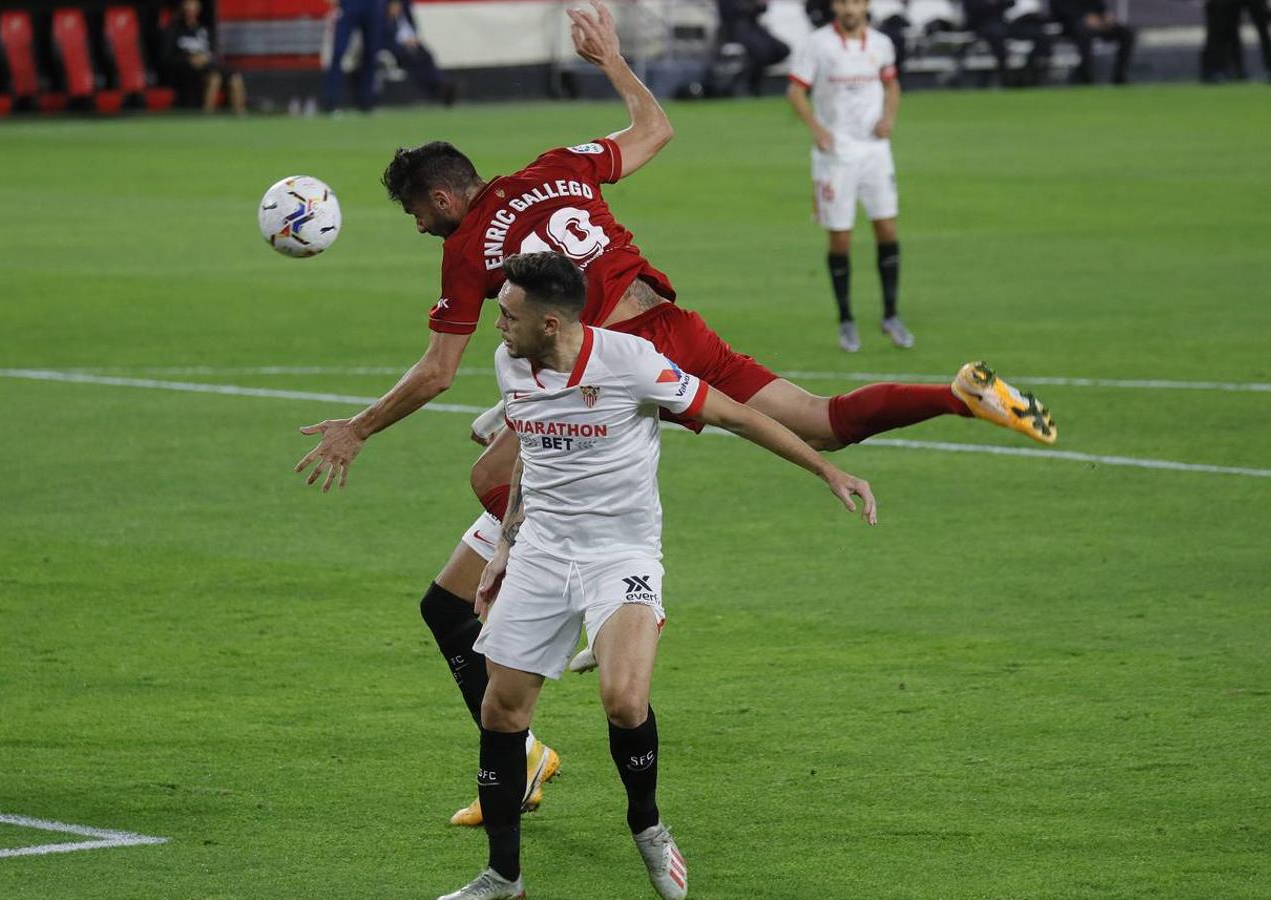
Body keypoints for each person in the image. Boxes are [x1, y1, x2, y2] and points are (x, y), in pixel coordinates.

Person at [295, 0, 1056, 828]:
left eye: (416, 212)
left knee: (490, 477)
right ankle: (956, 394)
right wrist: (612, 60)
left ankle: (577, 608)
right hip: (674, 325)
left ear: (444, 196)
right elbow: (655, 129)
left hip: (609, 361)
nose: (418, 227)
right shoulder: (557, 165)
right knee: (820, 418)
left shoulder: (468, 243)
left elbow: (440, 370)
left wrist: (357, 427)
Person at [436, 252, 877, 900]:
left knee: (622, 697)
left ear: (552, 324)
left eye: (507, 314)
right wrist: (504, 546)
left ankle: (645, 824)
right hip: (540, 549)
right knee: (502, 712)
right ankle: (503, 877)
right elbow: (532, 453)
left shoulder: (632, 364)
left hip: (620, 552)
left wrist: (827, 470)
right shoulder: (511, 364)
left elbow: (735, 414)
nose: (496, 325)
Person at [787, 0, 910, 352]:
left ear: (866, 5)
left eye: (855, 1)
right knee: (840, 239)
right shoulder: (817, 44)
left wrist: (889, 117)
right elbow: (796, 91)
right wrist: (817, 129)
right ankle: (846, 320)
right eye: (842, 2)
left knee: (886, 228)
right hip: (835, 155)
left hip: (875, 152)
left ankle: (891, 315)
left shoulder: (881, 43)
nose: (849, 8)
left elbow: (892, 85)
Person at [161, 0, 246, 114]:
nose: (191, 8)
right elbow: (167, 57)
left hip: (208, 64)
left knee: (235, 78)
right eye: (188, 4)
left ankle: (240, 114)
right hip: (187, 69)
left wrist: (207, 58)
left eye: (194, 4)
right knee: (214, 78)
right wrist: (188, 59)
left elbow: (213, 52)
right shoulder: (175, 29)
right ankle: (207, 114)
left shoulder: (204, 29)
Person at [961, 0, 1052, 87]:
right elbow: (971, 10)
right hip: (982, 26)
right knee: (996, 35)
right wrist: (989, 3)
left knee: (1040, 35)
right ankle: (1005, 74)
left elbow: (1011, 3)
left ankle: (1029, 69)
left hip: (1003, 24)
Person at [385, 0, 457, 105]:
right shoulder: (382, 9)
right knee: (414, 60)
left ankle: (441, 85)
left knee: (427, 56)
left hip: (410, 41)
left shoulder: (404, 5)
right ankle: (438, 90)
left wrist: (413, 37)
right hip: (395, 45)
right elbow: (385, 35)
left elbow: (411, 24)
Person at [322, 0, 387, 111]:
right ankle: (330, 102)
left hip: (371, 5)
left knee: (371, 52)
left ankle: (366, 102)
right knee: (339, 51)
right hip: (348, 4)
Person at [1050, 0, 1135, 84]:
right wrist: (1084, 18)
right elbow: (1059, 12)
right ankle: (1085, 77)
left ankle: (1119, 76)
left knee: (1126, 33)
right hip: (1071, 25)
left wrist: (1106, 16)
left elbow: (1100, 8)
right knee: (1084, 31)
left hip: (1097, 23)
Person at [717, 0, 791, 95]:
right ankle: (750, 84)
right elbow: (729, 13)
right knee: (761, 52)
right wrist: (752, 6)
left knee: (783, 50)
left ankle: (751, 77)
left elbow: (762, 10)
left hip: (754, 27)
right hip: (735, 30)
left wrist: (760, 4)